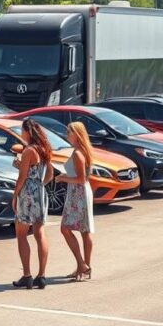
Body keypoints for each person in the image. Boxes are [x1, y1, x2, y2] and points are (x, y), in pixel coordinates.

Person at [11, 118, 53, 289]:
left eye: (22, 131)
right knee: (40, 232)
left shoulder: (28, 150)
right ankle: (42, 275)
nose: (21, 134)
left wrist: (15, 195)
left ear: (28, 131)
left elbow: (22, 177)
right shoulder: (44, 149)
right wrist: (40, 184)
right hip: (40, 192)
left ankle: (27, 274)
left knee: (21, 233)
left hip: (27, 193)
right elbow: (50, 173)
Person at [53, 121, 96, 282]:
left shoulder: (78, 153)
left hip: (78, 193)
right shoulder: (82, 151)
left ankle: (82, 265)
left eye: (69, 132)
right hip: (79, 192)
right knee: (84, 230)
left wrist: (62, 177)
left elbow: (80, 178)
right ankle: (83, 267)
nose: (67, 135)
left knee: (66, 228)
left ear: (76, 135)